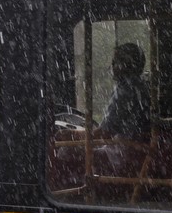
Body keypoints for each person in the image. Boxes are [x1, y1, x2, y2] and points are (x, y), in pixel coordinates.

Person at [54, 43, 150, 184]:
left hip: (122, 155)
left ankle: (71, 194)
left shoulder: (125, 91)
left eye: (114, 62)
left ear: (124, 65)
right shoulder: (142, 86)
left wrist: (72, 135)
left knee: (65, 151)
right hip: (137, 153)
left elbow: (105, 134)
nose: (111, 67)